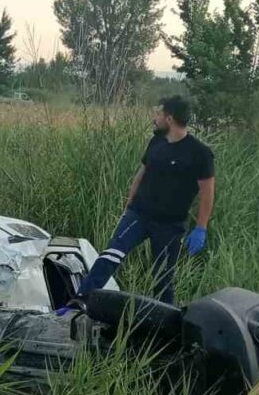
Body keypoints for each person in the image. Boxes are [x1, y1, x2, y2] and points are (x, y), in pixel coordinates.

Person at [69, 95, 214, 309]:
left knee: (162, 276)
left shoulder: (199, 153)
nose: (154, 118)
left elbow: (207, 193)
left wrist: (201, 228)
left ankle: (163, 325)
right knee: (110, 256)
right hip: (138, 215)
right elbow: (141, 173)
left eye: (158, 113)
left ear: (170, 118)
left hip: (170, 225)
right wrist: (128, 206)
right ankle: (80, 301)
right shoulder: (156, 142)